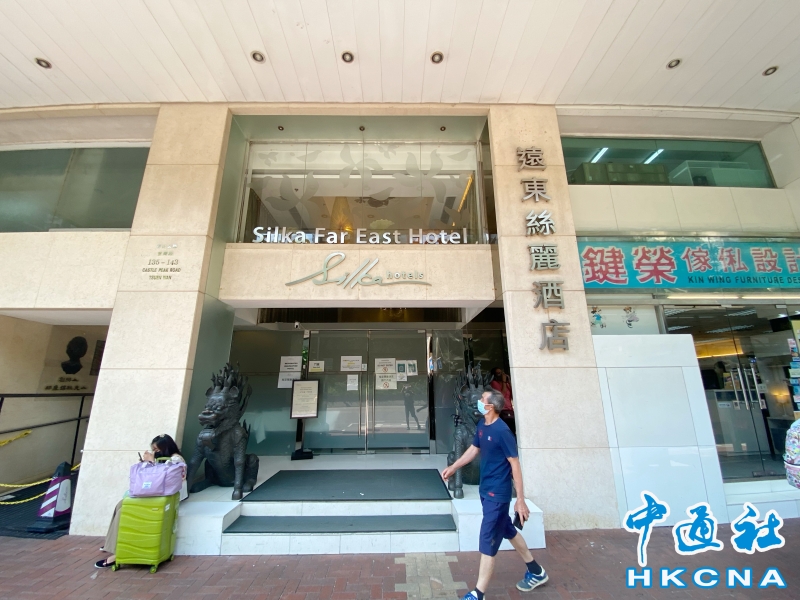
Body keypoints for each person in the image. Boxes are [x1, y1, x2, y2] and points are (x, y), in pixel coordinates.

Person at [442, 390, 548, 597]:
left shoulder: (502, 431)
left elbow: (515, 464)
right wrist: (454, 467)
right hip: (485, 490)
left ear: (490, 406)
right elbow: (474, 449)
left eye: (482, 399)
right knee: (507, 529)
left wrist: (520, 500)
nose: (479, 402)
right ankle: (536, 571)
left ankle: (478, 593)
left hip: (497, 494)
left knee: (488, 539)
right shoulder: (483, 425)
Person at [95, 434, 187, 569]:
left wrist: (152, 462)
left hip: (165, 497)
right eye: (153, 450)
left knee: (125, 510)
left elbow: (164, 479)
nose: (155, 452)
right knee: (120, 505)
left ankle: (117, 553)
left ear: (166, 447)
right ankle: (111, 543)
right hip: (156, 495)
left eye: (157, 450)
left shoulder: (175, 459)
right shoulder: (164, 459)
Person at [490, 367, 516, 436]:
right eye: (498, 373)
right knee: (505, 431)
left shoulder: (506, 384)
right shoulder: (494, 383)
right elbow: (502, 395)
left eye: (501, 372)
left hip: (510, 410)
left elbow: (514, 395)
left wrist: (509, 381)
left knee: (512, 430)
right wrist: (504, 382)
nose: (501, 375)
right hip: (502, 410)